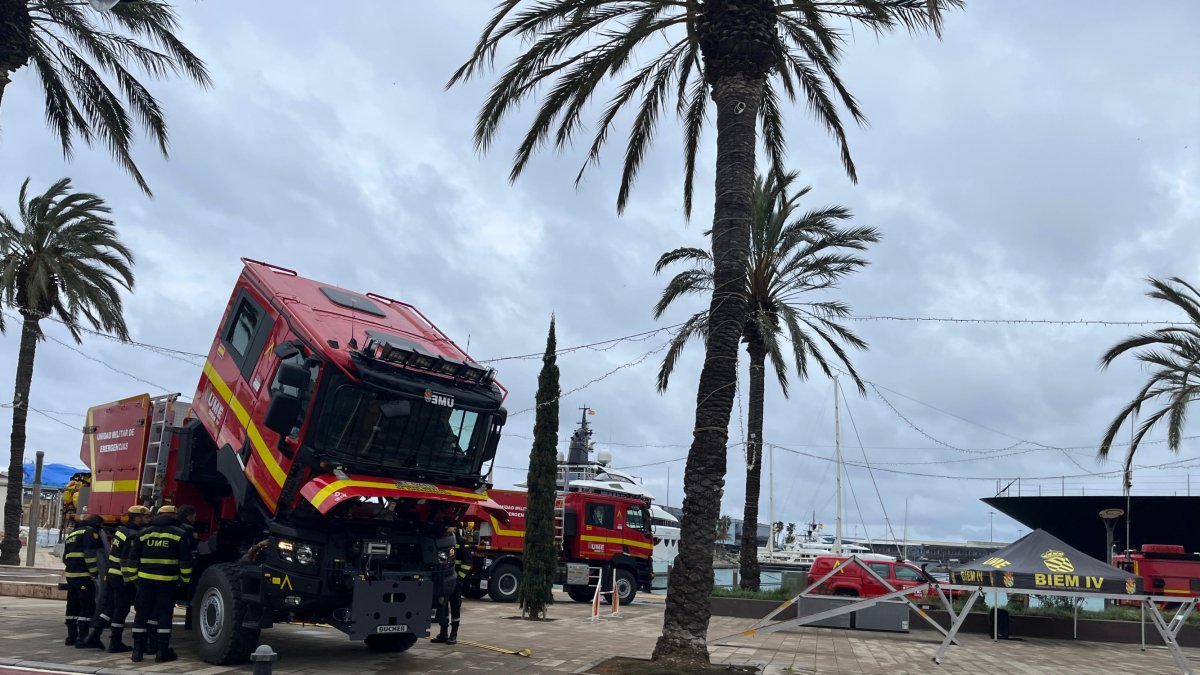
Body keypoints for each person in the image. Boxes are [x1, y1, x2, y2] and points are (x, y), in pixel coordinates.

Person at [125, 505, 192, 663]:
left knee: (141, 614)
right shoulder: (179, 534)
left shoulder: (143, 533)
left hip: (145, 581)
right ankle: (162, 652)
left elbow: (132, 559)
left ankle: (137, 651)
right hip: (168, 583)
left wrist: (135, 579)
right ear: (173, 517)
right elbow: (185, 562)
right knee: (164, 616)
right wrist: (184, 581)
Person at [82, 505, 150, 652]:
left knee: (110, 607)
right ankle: (115, 642)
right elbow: (126, 559)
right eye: (146, 517)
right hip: (122, 577)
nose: (148, 519)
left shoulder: (121, 531)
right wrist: (131, 579)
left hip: (113, 574)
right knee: (121, 609)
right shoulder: (133, 534)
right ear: (137, 518)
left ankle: (94, 636)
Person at [62, 514, 103, 647]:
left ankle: (71, 637)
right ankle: (82, 638)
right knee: (87, 606)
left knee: (72, 605)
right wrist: (93, 572)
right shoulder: (90, 532)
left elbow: (65, 557)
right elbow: (89, 554)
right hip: (83, 576)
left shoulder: (73, 534)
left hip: (71, 575)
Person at [431, 527, 471, 645]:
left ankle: (453, 634)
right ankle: (443, 633)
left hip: (455, 581)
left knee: (455, 606)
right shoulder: (443, 540)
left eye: (450, 527)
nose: (448, 530)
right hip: (443, 580)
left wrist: (459, 579)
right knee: (442, 605)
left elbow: (467, 563)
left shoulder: (462, 542)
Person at [175, 505, 199, 630]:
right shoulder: (188, 529)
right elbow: (193, 552)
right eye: (194, 516)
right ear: (189, 516)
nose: (195, 519)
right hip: (183, 570)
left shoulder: (171, 527)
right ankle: (189, 624)